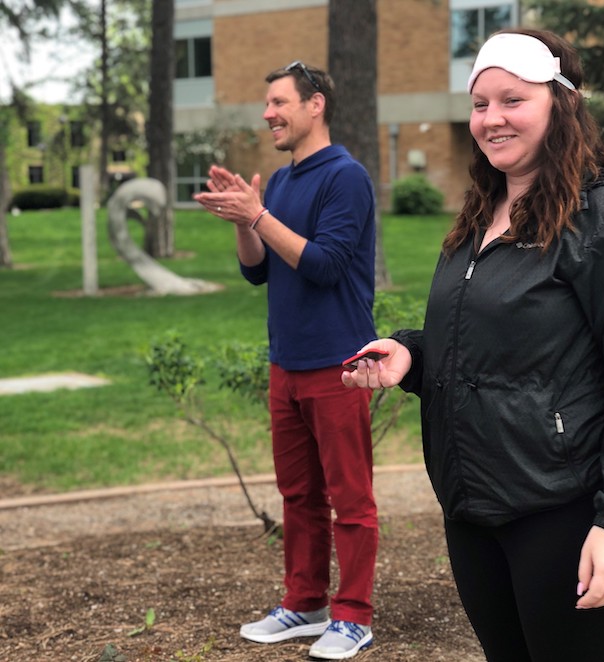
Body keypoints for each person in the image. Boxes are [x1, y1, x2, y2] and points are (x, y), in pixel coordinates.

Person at [342, 29, 604, 662]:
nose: (492, 118)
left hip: (568, 512)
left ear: (562, 103)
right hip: (475, 510)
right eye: (480, 104)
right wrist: (413, 355)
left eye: (512, 100)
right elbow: (499, 340)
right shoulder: (482, 213)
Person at [194, 60, 378, 660]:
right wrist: (243, 218)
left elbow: (324, 265)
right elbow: (257, 269)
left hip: (338, 363)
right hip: (288, 364)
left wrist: (259, 214)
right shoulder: (279, 181)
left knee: (349, 498)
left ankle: (353, 615)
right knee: (298, 495)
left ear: (315, 104)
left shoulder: (345, 177)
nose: (268, 113)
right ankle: (306, 604)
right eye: (267, 103)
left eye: (279, 102)